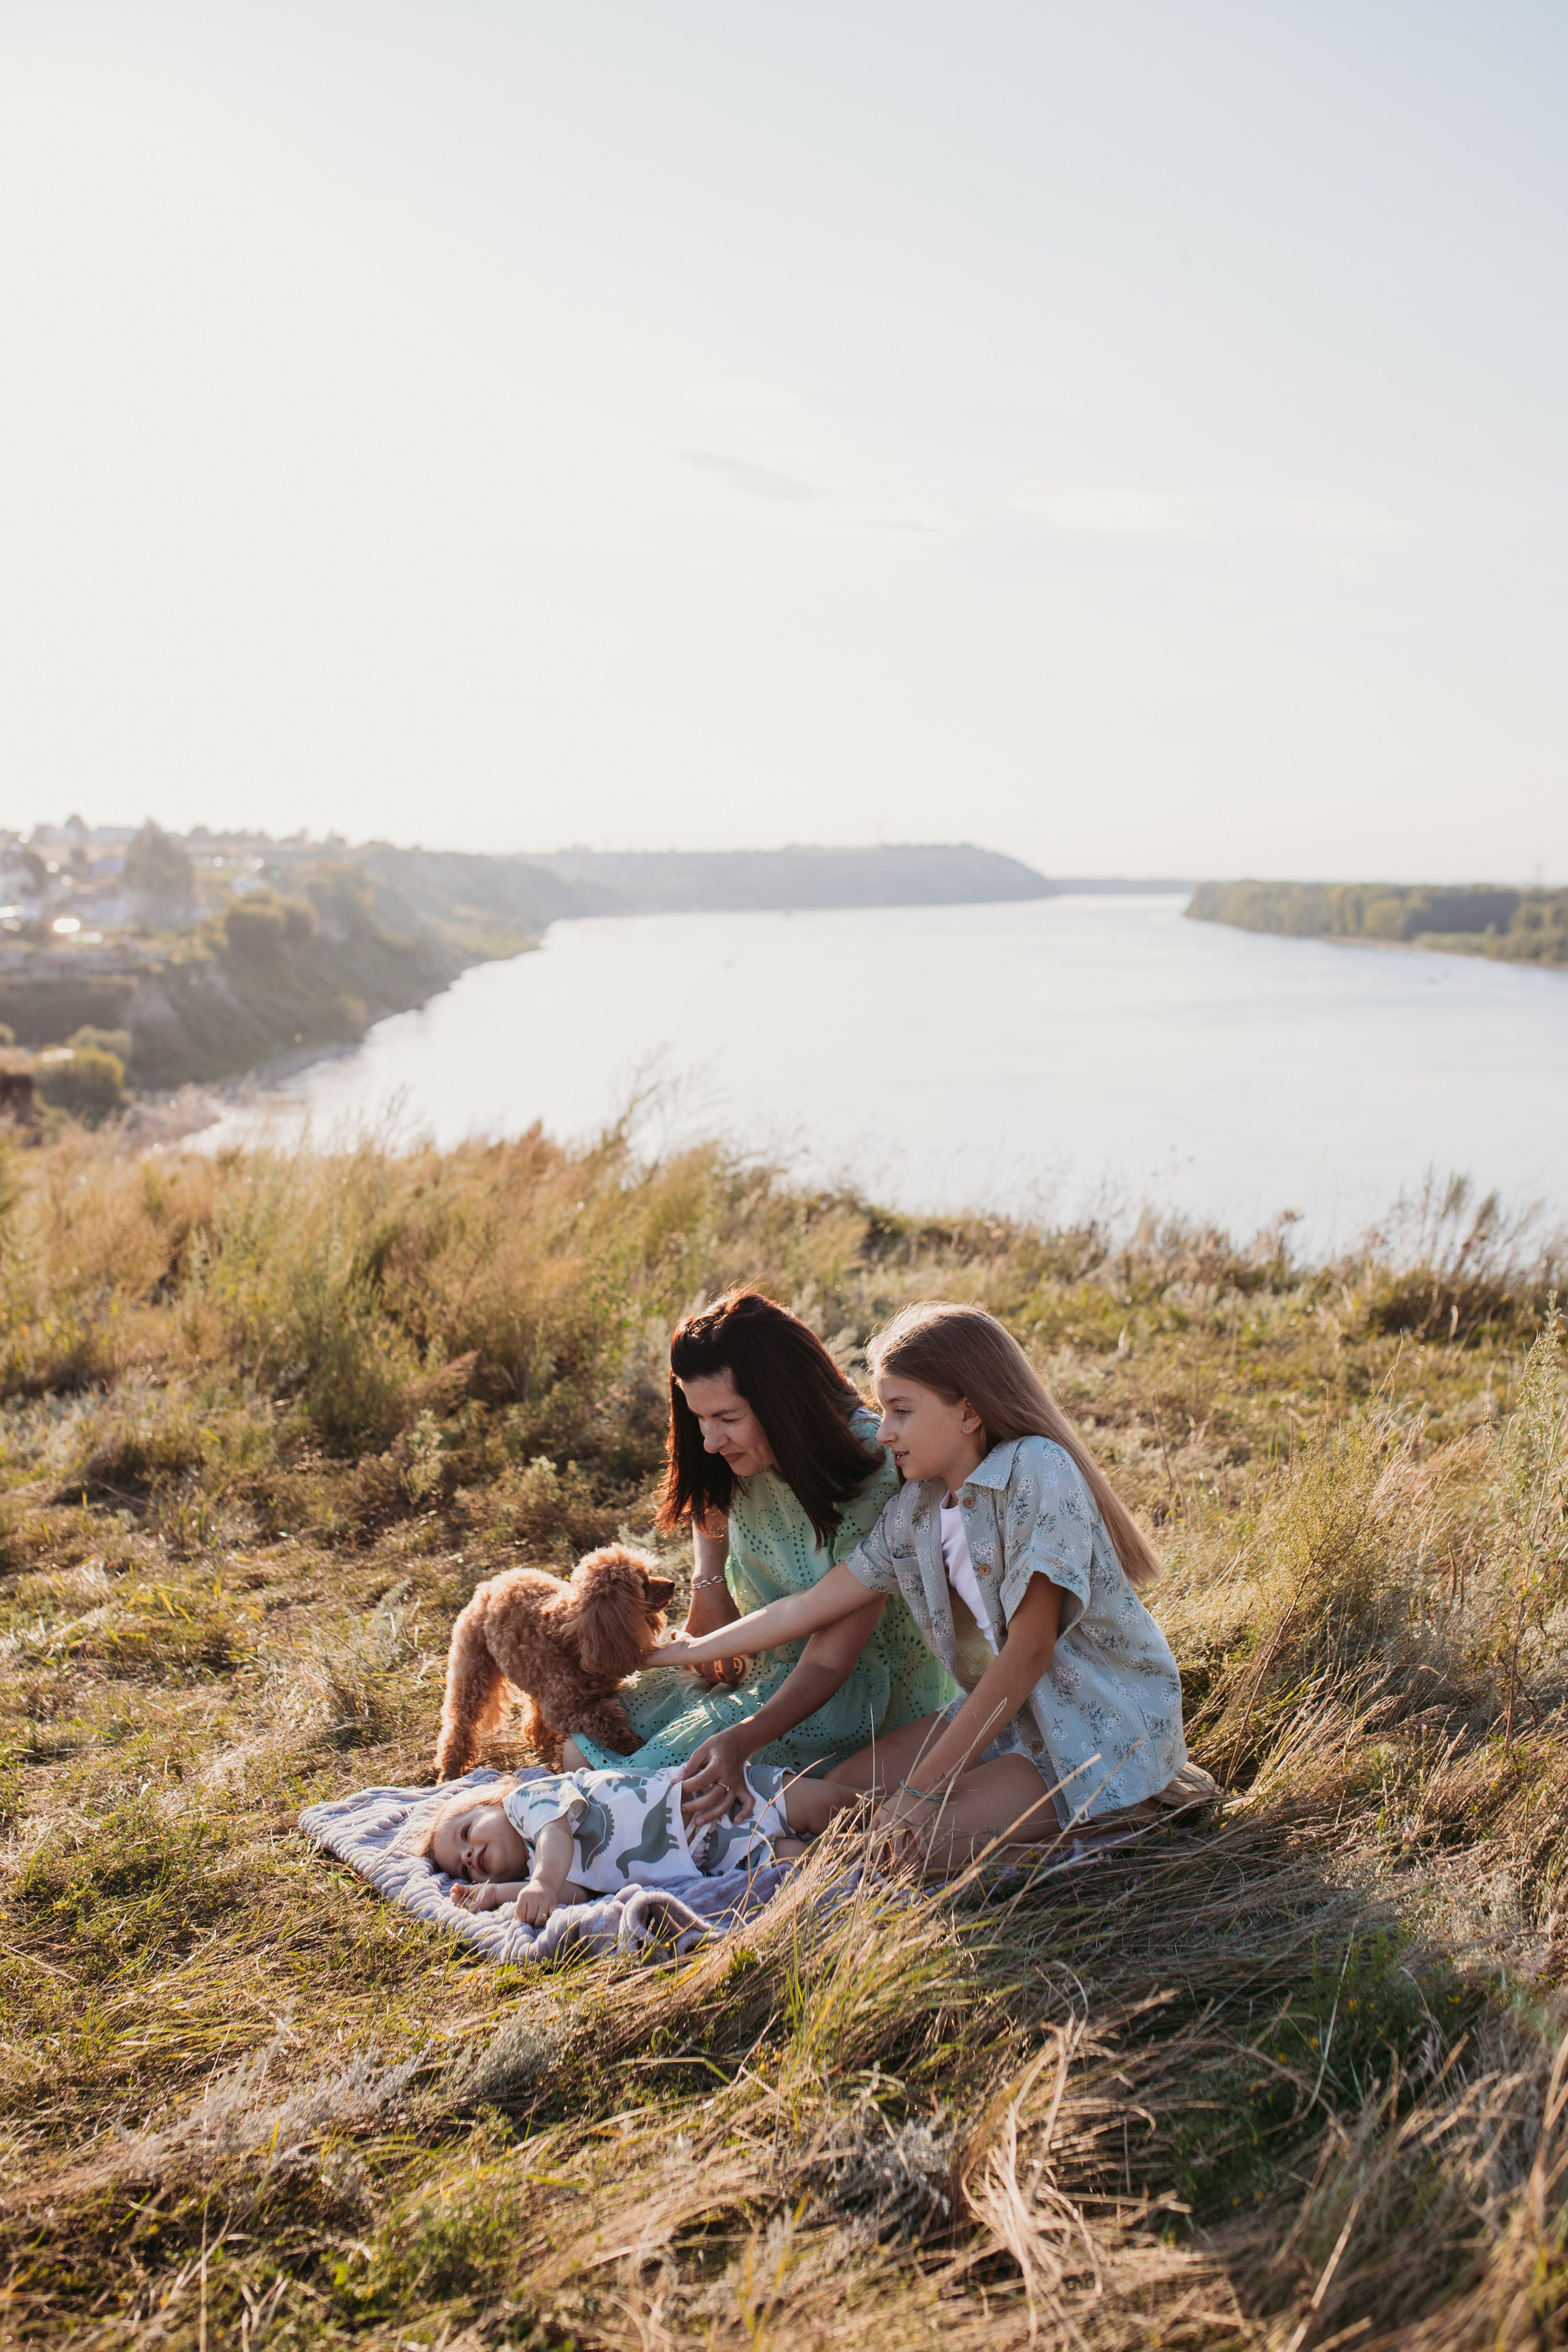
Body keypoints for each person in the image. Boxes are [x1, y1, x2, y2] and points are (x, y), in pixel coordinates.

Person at [654, 1300, 1216, 1874]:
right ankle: (994, 1830)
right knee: (832, 1797)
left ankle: (1128, 1817)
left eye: (901, 1410)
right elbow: (810, 1606)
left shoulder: (1037, 1470)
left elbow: (1029, 1651)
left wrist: (921, 1794)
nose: (885, 1430)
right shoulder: (917, 1509)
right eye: (884, 1409)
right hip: (1003, 1718)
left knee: (894, 1847)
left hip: (1089, 1733)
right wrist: (684, 1651)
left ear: (969, 1411)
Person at [567, 1291, 956, 1822]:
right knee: (579, 1752)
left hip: (837, 1692)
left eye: (725, 1417)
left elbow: (829, 1662)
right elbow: (709, 1495)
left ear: (782, 1401)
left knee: (648, 1795)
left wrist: (741, 1739)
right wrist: (710, 1587)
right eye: (699, 1417)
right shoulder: (736, 1442)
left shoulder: (873, 1471)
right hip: (752, 1655)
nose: (708, 1440)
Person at [412, 1762, 862, 1926]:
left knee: (832, 1806)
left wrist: (542, 1885)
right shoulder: (540, 1875)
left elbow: (556, 1835)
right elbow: (577, 1896)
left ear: (491, 1804)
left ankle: (905, 1803)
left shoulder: (528, 1803)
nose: (471, 1855)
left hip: (714, 1795)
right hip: (717, 1856)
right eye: (464, 1866)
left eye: (467, 1833)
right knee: (807, 1865)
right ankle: (878, 1870)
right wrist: (496, 1894)